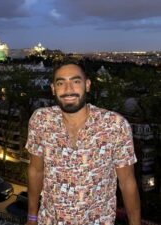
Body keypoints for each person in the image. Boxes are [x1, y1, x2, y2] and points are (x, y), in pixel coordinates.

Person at [25, 64, 141, 225]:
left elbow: (127, 182)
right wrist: (32, 218)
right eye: (60, 83)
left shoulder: (115, 125)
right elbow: (36, 171)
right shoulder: (41, 120)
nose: (68, 89)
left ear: (87, 85)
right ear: (53, 89)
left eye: (76, 81)